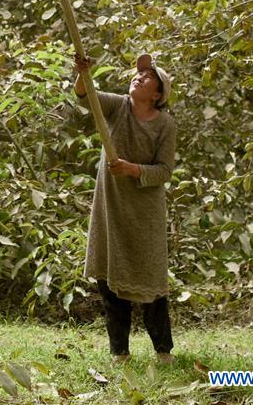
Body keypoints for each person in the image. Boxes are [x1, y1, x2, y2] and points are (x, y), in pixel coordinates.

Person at [73, 52, 176, 366]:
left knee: (152, 279)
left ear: (157, 95)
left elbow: (165, 171)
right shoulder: (117, 106)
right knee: (110, 277)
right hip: (112, 206)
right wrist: (82, 72)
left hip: (145, 211)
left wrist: (132, 169)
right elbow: (85, 94)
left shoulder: (165, 124)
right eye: (139, 73)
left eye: (148, 77)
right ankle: (120, 352)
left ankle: (163, 351)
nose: (139, 77)